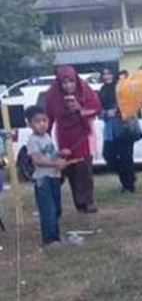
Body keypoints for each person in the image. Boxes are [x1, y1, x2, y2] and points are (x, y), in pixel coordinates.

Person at [45, 65, 101, 213]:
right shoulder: (53, 94)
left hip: (83, 134)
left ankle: (88, 201)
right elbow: (48, 117)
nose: (68, 85)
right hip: (64, 135)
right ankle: (79, 203)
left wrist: (79, 108)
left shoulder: (84, 89)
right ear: (59, 83)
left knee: (85, 169)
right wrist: (46, 135)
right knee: (71, 170)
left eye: (71, 82)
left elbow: (96, 108)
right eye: (64, 83)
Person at [25, 105, 70, 246]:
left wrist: (61, 153)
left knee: (56, 208)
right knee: (47, 209)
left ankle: (55, 235)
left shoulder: (47, 136)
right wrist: (55, 164)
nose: (42, 124)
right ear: (29, 124)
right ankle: (49, 239)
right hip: (43, 180)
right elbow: (38, 160)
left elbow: (51, 153)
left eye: (44, 120)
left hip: (54, 177)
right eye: (37, 121)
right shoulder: (33, 140)